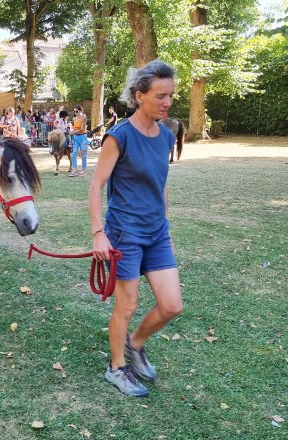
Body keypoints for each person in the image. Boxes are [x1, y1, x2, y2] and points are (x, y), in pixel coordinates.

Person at [88, 59, 182, 397]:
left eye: (170, 95)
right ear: (139, 95)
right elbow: (97, 185)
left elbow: (161, 184)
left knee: (172, 305)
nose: (167, 102)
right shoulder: (120, 136)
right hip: (124, 233)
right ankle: (116, 368)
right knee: (126, 306)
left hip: (157, 232)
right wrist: (99, 233)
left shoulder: (166, 136)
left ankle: (136, 342)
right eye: (160, 95)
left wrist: (165, 224)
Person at [68, 105, 88, 177]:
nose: (75, 113)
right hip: (76, 137)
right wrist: (71, 127)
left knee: (83, 154)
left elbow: (82, 129)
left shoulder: (84, 117)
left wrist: (73, 132)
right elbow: (75, 128)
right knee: (73, 154)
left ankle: (83, 170)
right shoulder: (75, 118)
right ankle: (75, 170)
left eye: (77, 111)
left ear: (80, 111)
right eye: (74, 111)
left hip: (83, 137)